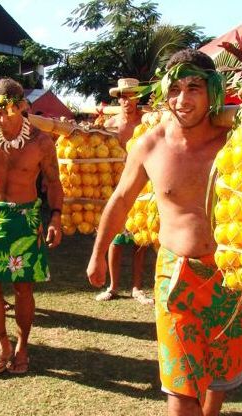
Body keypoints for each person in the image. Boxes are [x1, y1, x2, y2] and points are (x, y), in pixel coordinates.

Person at [87, 49, 242, 415]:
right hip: (174, 278)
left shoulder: (239, 140)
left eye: (194, 87)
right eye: (175, 88)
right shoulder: (150, 144)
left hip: (230, 276)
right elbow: (120, 200)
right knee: (180, 391)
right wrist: (98, 252)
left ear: (213, 90)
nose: (182, 99)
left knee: (217, 380)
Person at [0, 78, 63, 374]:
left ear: (21, 106)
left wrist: (55, 217)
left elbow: (54, 182)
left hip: (26, 219)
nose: (0, 114)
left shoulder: (40, 141)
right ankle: (2, 342)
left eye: (6, 107)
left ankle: (22, 345)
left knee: (23, 289)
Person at [96, 78, 152, 305]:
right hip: (115, 185)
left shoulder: (147, 122)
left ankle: (137, 287)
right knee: (115, 239)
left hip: (143, 185)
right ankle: (113, 286)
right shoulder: (110, 124)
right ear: (118, 99)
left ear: (138, 97)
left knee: (140, 240)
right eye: (122, 96)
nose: (127, 101)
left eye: (131, 96)